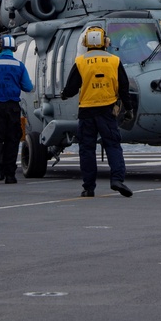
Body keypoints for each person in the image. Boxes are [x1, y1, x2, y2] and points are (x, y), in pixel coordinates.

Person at [60, 26, 134, 198]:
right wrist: (128, 108)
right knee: (113, 145)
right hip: (107, 111)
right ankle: (117, 179)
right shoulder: (114, 61)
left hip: (86, 112)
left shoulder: (81, 61)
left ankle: (89, 188)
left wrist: (64, 94)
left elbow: (71, 88)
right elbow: (124, 87)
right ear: (105, 42)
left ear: (86, 43)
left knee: (87, 149)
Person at [0, 35, 34, 185]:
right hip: (13, 108)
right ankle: (10, 175)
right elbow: (28, 87)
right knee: (12, 140)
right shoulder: (20, 66)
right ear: (14, 48)